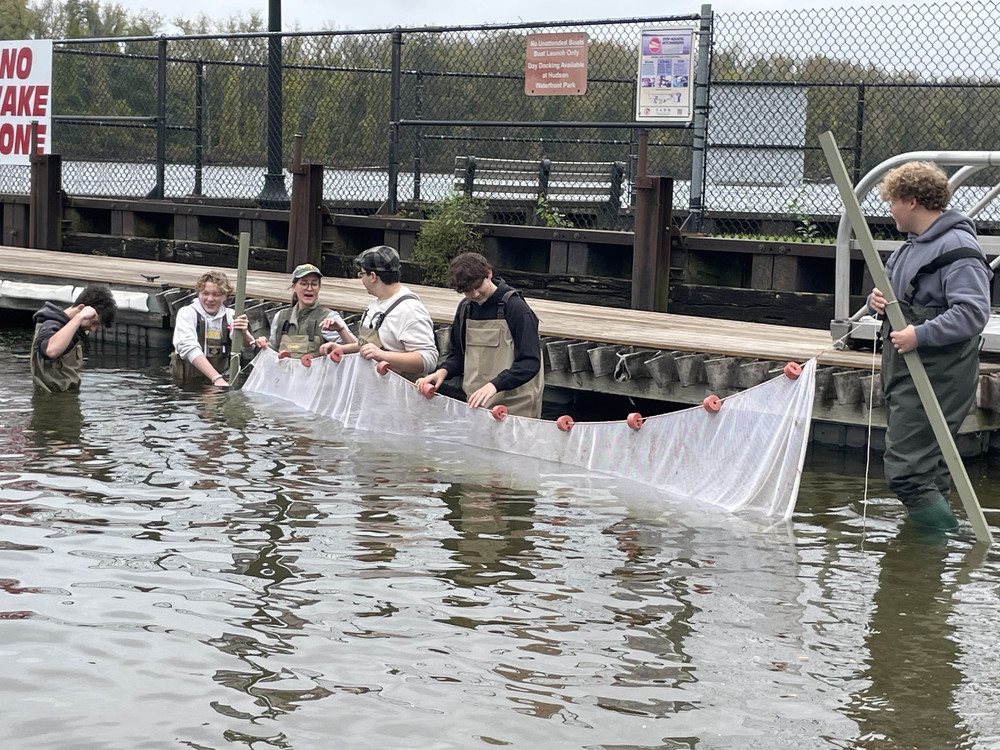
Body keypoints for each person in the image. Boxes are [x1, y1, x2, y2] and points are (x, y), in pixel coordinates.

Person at [868, 161, 992, 531]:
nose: (890, 209)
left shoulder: (957, 247)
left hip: (938, 373)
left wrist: (919, 334)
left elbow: (972, 313)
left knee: (907, 473)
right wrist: (880, 301)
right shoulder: (910, 248)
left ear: (912, 201)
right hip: (906, 370)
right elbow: (900, 295)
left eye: (893, 201)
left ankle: (945, 539)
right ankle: (929, 566)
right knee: (931, 469)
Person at [416, 252, 543, 418]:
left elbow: (530, 362)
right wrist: (443, 371)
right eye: (467, 291)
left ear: (488, 273)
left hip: (517, 406)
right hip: (478, 403)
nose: (475, 294)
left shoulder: (517, 309)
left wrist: (494, 386)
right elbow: (459, 356)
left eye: (478, 286)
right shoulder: (465, 309)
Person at [320, 245, 437, 375]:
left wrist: (383, 356)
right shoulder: (375, 303)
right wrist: (342, 348)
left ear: (373, 276)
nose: (361, 278)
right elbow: (367, 347)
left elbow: (429, 359)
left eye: (362, 274)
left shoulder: (410, 310)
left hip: (398, 392)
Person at [171, 270, 255, 387]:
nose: (210, 299)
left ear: (225, 296)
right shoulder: (187, 313)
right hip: (187, 383)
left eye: (216, 294)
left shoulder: (232, 315)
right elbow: (188, 347)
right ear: (198, 293)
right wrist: (216, 378)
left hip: (220, 382)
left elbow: (248, 349)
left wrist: (244, 333)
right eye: (205, 293)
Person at [30, 285, 118, 393]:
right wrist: (79, 317)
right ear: (81, 309)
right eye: (93, 322)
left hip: (67, 402)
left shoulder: (72, 328)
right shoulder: (50, 326)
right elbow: (50, 350)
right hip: (51, 405)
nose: (93, 329)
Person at [253, 263, 352, 357]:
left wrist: (340, 329)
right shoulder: (280, 317)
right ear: (294, 287)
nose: (309, 288)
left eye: (314, 284)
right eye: (304, 284)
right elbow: (272, 351)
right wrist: (263, 344)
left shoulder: (329, 317)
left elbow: (355, 349)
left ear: (319, 288)